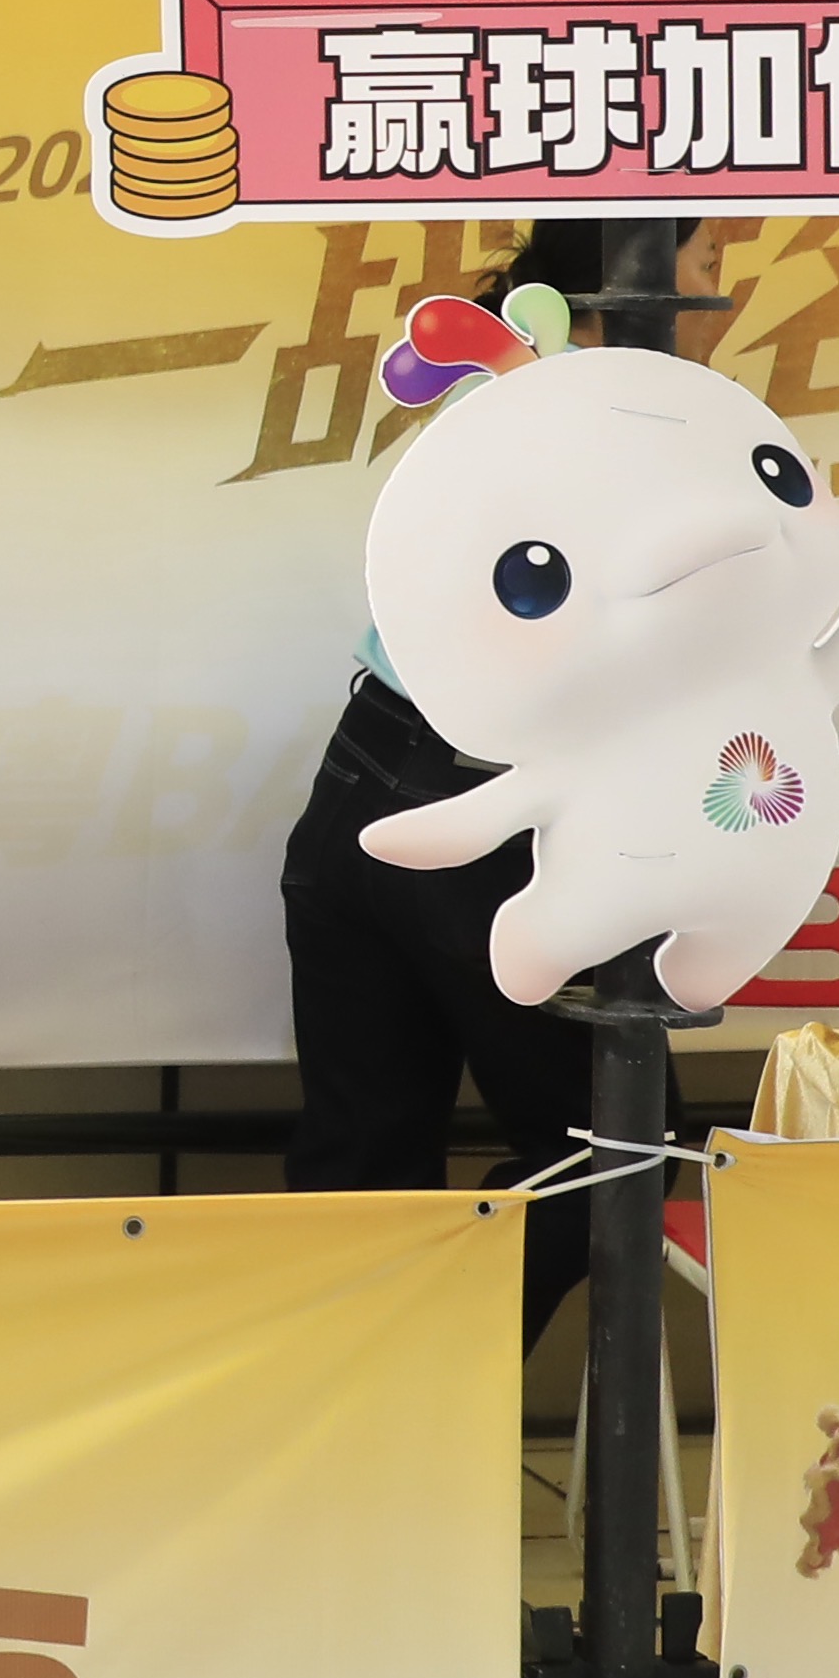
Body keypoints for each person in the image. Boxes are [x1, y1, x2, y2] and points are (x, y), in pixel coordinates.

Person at [280, 214, 726, 1358]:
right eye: (707, 261)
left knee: (359, 1167)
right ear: (625, 284)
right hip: (487, 820)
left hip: (362, 778)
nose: (723, 294)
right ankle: (429, 1377)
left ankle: (352, 1424)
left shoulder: (500, 394)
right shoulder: (628, 427)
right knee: (612, 1147)